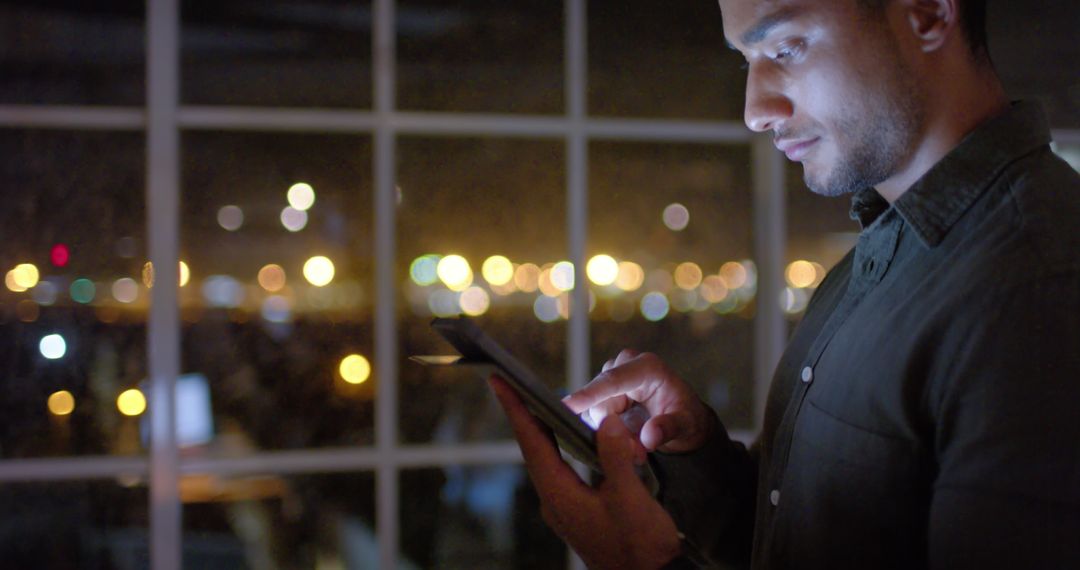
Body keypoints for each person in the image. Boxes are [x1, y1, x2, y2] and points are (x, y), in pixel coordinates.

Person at [489, 0, 1080, 568]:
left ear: (926, 12)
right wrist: (698, 458)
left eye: (787, 46)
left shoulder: (1039, 290)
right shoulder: (882, 255)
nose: (754, 110)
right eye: (746, 60)